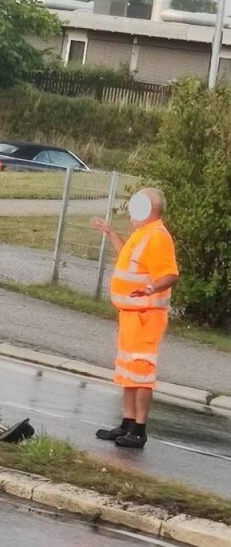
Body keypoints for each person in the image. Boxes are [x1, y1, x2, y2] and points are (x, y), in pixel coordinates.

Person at [92, 188, 179, 449]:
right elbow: (127, 259)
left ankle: (139, 430)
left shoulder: (158, 237)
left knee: (141, 373)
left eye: (137, 207)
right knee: (128, 371)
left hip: (145, 316)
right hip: (131, 315)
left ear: (150, 209)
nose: (132, 214)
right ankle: (128, 423)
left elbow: (170, 274)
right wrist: (111, 233)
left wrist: (151, 289)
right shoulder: (142, 234)